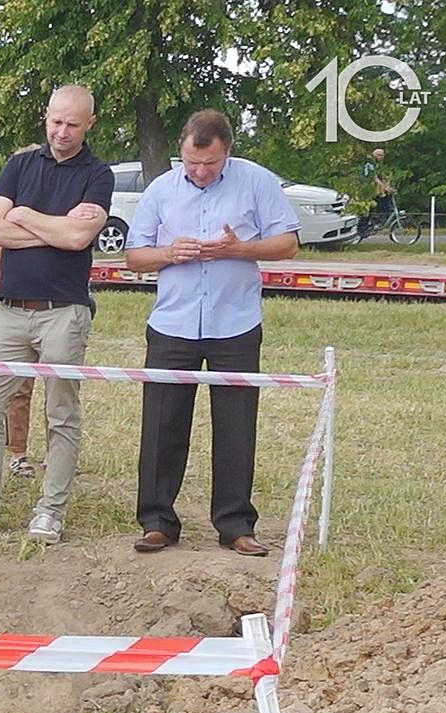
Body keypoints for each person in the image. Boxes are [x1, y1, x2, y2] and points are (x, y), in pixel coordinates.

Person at [123, 109, 301, 557]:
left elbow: (288, 244)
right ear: (180, 152)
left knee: (236, 427)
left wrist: (240, 249)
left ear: (228, 153)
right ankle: (157, 522)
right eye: (192, 162)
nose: (201, 172)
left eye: (211, 163)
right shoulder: (161, 189)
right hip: (172, 324)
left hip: (235, 323)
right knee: (162, 426)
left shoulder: (257, 182)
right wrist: (169, 253)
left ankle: (236, 525)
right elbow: (135, 256)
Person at [0, 86, 114, 545]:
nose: (62, 131)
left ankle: (50, 512)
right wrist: (56, 228)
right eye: (56, 121)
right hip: (9, 311)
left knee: (61, 414)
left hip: (64, 312)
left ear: (89, 124)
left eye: (72, 124)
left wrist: (23, 214)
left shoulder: (98, 175)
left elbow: (79, 239)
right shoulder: (19, 165)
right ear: (46, 116)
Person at [362, 147, 395, 224]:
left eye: (382, 155)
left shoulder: (379, 165)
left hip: (377, 190)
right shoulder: (370, 163)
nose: (381, 157)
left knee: (384, 203)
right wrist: (385, 187)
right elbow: (374, 178)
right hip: (369, 189)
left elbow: (383, 178)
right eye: (379, 155)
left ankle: (379, 221)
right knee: (370, 208)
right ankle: (366, 225)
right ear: (374, 155)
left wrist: (388, 187)